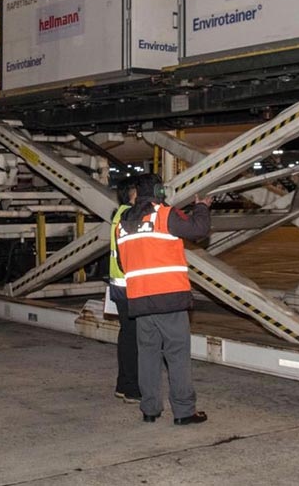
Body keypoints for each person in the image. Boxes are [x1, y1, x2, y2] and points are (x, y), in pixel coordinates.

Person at [115, 173, 211, 425]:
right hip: (168, 298)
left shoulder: (122, 223)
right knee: (177, 354)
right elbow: (199, 230)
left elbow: (121, 263)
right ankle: (183, 411)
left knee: (147, 355)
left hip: (139, 300)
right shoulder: (164, 214)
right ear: (158, 191)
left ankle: (149, 409)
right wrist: (202, 207)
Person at [108, 178, 140, 403]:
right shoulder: (129, 217)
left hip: (120, 286)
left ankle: (123, 384)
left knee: (127, 336)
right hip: (130, 287)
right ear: (131, 194)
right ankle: (132, 389)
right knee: (135, 340)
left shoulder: (119, 215)